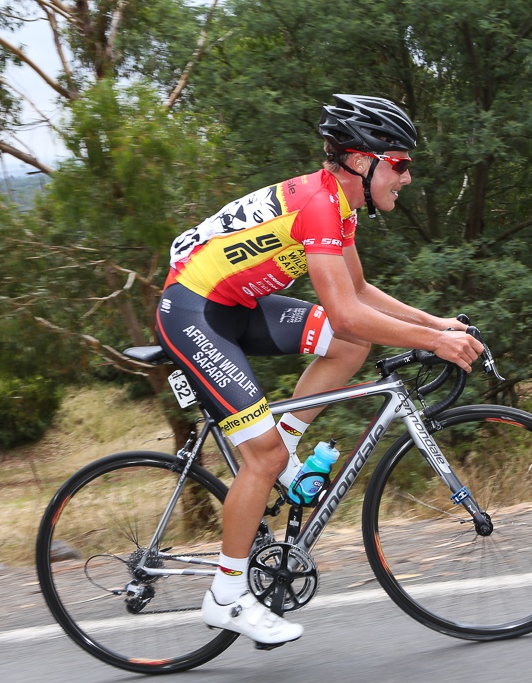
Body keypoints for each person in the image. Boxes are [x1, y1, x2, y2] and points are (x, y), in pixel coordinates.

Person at [154, 93, 484, 647]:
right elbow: (347, 307)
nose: (406, 177)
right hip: (193, 312)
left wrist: (437, 323)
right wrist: (436, 342)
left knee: (349, 345)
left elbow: (356, 292)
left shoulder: (339, 204)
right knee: (263, 454)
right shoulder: (318, 205)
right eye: (400, 164)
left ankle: (282, 449)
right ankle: (227, 597)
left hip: (231, 307)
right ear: (361, 160)